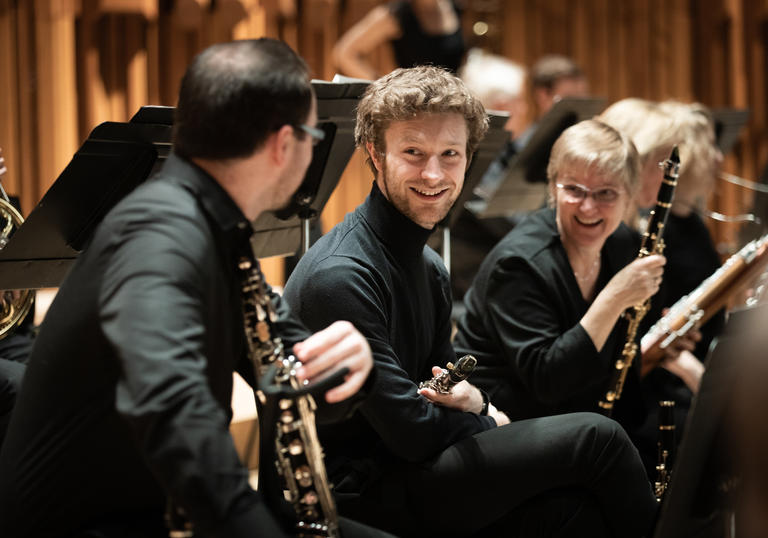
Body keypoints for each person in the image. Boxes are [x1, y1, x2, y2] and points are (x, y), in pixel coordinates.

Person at [0, 38, 388, 538]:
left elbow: (295, 370)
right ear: (283, 143)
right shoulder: (159, 235)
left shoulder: (212, 225)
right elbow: (176, 421)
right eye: (314, 136)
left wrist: (349, 368)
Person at [284, 67, 657, 537]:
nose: (434, 173)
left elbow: (445, 390)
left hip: (415, 467)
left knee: (575, 508)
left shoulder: (429, 268)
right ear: (375, 155)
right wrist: (490, 421)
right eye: (413, 153)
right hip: (358, 492)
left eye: (450, 154)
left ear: (468, 158)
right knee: (597, 438)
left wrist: (477, 403)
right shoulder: (342, 276)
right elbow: (411, 429)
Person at [332, 0, 464, 80]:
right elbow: (344, 53)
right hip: (417, 108)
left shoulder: (455, 7)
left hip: (454, 103)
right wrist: (383, 85)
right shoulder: (398, 14)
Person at [515, 54, 589, 151]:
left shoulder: (587, 141)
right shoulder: (524, 148)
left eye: (582, 98)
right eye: (569, 97)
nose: (580, 105)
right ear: (543, 95)